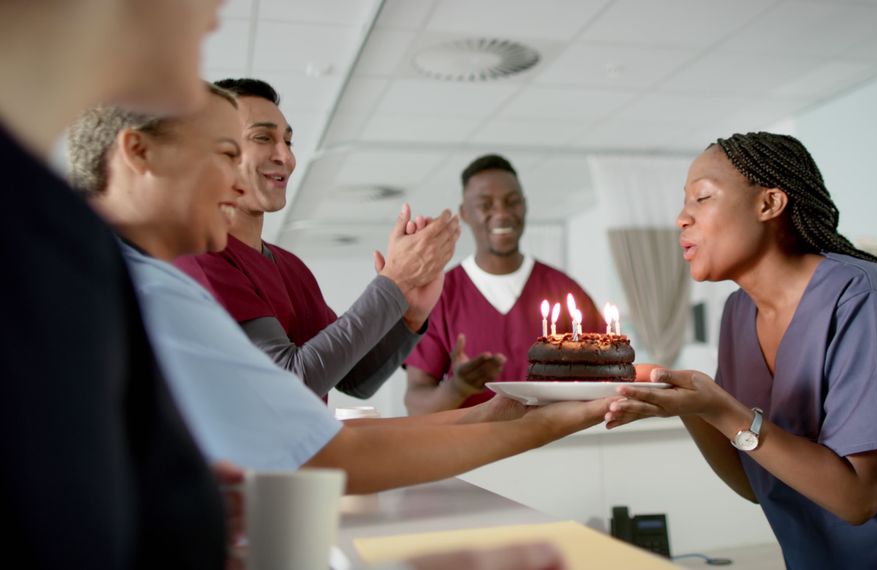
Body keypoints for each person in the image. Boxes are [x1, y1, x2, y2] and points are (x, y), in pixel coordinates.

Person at [69, 100, 616, 497]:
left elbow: (343, 396)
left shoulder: (143, 278)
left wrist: (416, 320)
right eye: (224, 153)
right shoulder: (162, 283)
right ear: (138, 152)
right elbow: (322, 445)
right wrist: (543, 424)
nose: (237, 180)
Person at [605, 133, 877, 568]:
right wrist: (685, 401)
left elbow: (857, 499)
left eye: (701, 197)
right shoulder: (739, 313)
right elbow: (757, 485)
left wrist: (717, 406)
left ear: (769, 204)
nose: (682, 218)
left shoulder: (870, 299)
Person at [0, 1, 230, 568]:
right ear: (137, 151)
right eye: (226, 153)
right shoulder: (35, 237)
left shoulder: (58, 231)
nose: (218, 13)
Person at [173, 78, 454, 400]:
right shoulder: (198, 257)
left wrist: (409, 313)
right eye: (263, 137)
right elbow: (288, 384)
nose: (286, 157)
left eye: (288, 142)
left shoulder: (290, 267)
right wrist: (394, 282)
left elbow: (355, 379)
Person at [404, 154, 602, 413]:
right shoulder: (440, 296)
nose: (502, 213)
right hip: (474, 450)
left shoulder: (564, 290)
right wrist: (457, 388)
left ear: (525, 205)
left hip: (555, 446)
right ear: (465, 213)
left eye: (512, 202)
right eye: (486, 204)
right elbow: (416, 404)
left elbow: (603, 379)